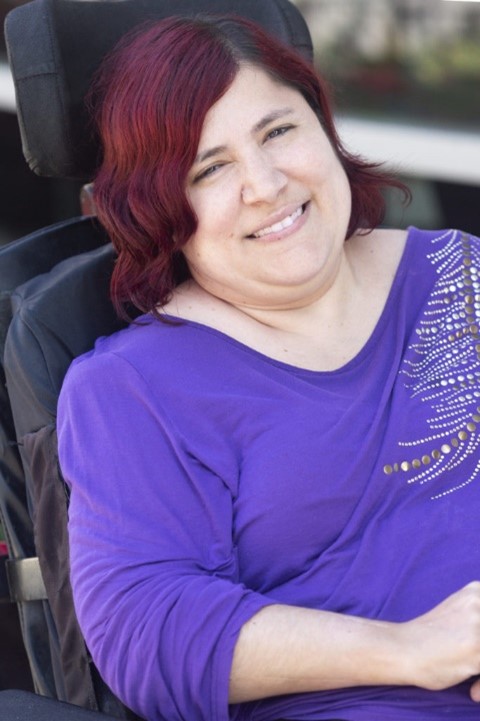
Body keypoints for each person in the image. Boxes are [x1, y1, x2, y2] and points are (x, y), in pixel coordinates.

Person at [57, 14, 480, 721]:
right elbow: (147, 630)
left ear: (323, 126)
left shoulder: (462, 276)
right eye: (210, 167)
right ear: (160, 206)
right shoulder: (133, 389)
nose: (266, 184)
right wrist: (415, 648)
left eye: (278, 131)